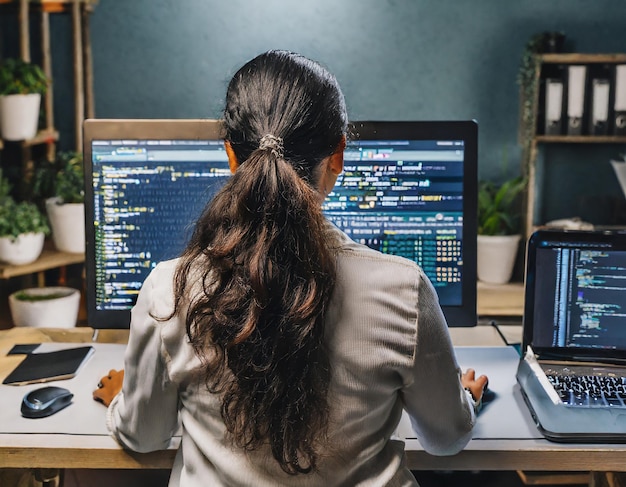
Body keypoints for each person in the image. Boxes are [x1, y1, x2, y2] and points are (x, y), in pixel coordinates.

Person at [93, 49, 488, 486]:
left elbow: (143, 436)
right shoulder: (404, 291)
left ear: (230, 155)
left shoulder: (169, 291)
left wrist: (123, 401)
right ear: (337, 155)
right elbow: (446, 439)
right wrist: (462, 399)